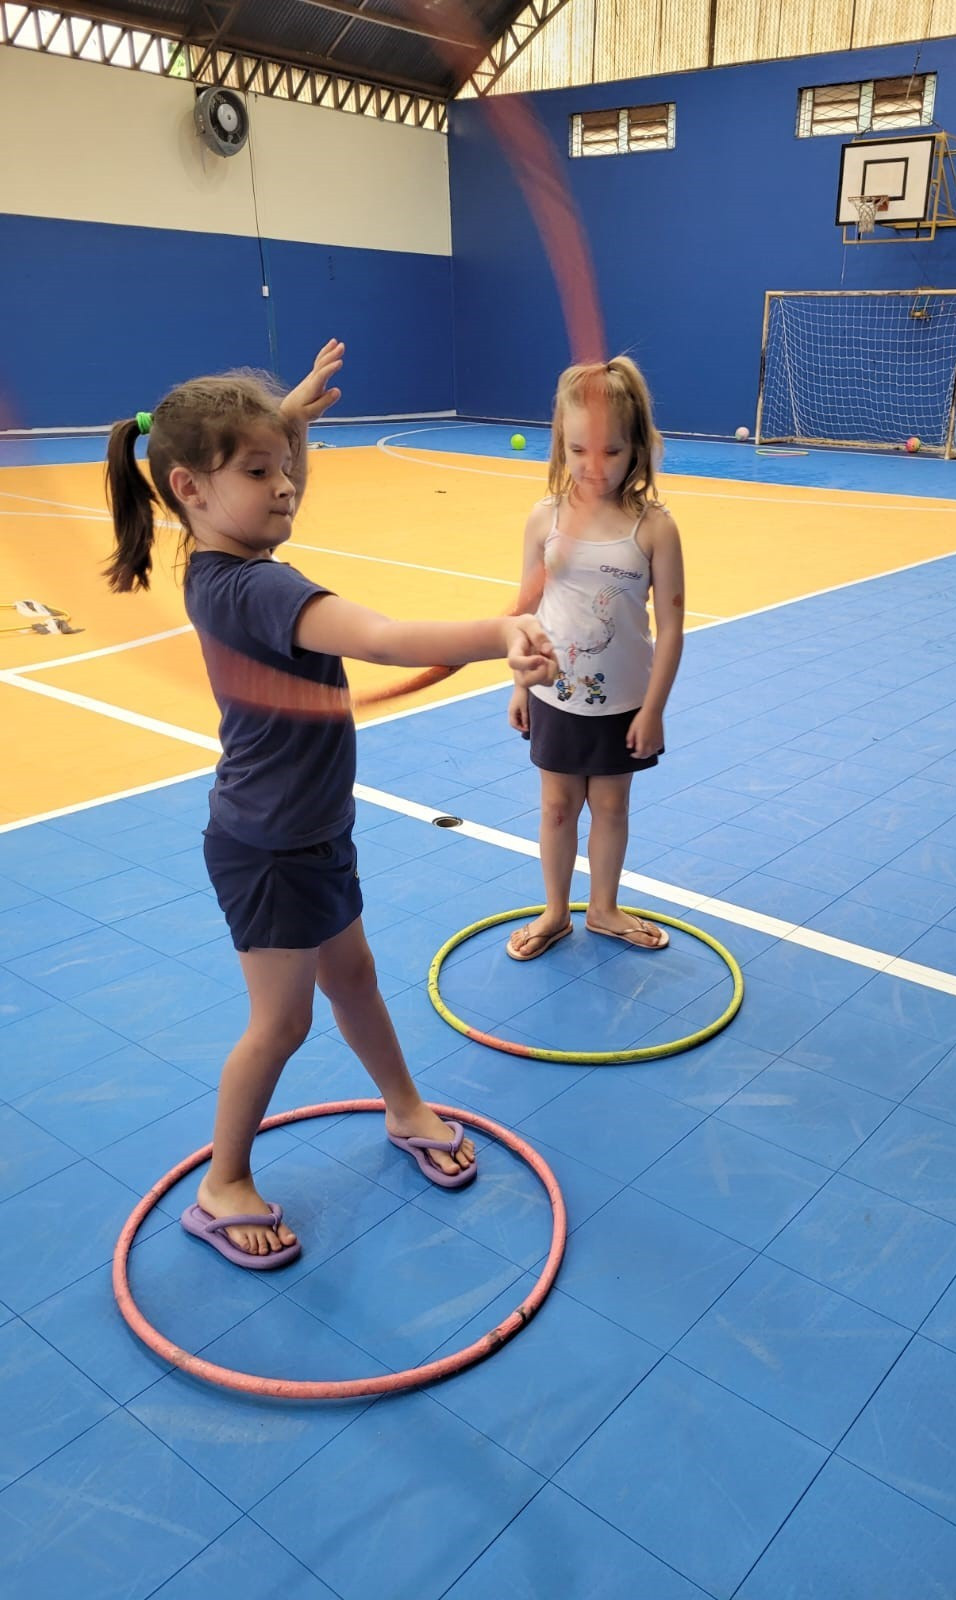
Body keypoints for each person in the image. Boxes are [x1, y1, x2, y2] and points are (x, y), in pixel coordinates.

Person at [103, 340, 556, 1267]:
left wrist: (288, 417)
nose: (286, 487)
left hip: (309, 832)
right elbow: (382, 637)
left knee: (352, 977)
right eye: (260, 472)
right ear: (189, 488)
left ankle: (405, 1108)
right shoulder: (259, 588)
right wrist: (502, 631)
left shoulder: (213, 557)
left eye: (288, 467)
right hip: (270, 848)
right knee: (282, 1022)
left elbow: (249, 475)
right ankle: (223, 1185)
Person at [505, 357, 685, 960]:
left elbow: (673, 628)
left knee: (610, 806)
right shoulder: (545, 519)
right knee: (557, 808)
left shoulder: (654, 528)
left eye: (611, 451)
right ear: (560, 441)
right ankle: (556, 911)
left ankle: (603, 909)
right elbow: (526, 614)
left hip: (624, 703)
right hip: (554, 696)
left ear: (637, 448)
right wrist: (519, 686)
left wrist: (653, 710)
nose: (593, 465)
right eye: (578, 449)